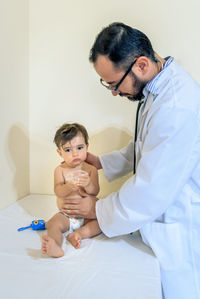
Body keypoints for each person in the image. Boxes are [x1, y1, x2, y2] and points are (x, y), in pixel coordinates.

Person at [61, 23, 200, 298]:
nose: (113, 92)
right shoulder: (158, 86)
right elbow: (146, 145)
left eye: (114, 83)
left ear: (142, 65)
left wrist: (97, 210)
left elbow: (150, 190)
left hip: (177, 228)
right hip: (155, 221)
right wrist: (104, 162)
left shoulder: (176, 104)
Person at [41, 123, 101, 257]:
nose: (75, 153)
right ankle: (55, 246)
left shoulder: (90, 169)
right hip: (66, 215)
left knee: (101, 223)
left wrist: (88, 184)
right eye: (68, 150)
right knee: (52, 224)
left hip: (87, 216)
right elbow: (58, 191)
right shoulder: (60, 170)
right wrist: (68, 187)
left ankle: (79, 234)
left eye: (79, 148)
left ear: (87, 147)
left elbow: (95, 191)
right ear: (59, 152)